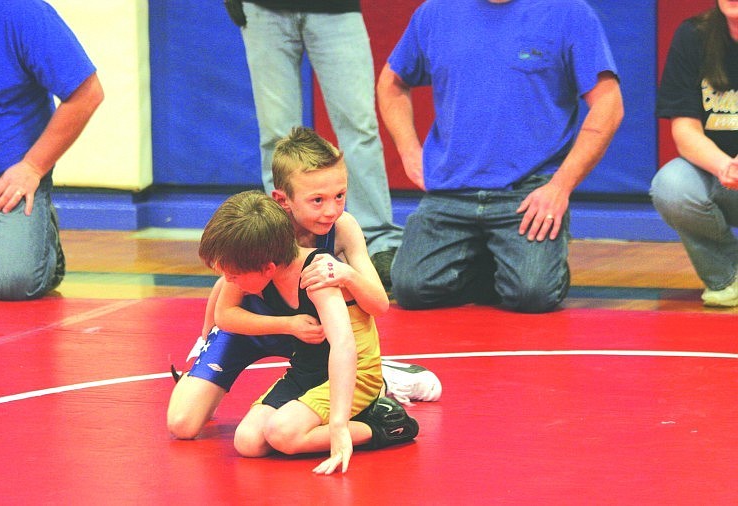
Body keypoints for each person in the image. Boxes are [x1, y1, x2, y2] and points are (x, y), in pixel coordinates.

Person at [167, 127, 440, 441]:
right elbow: (224, 297)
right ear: (283, 200)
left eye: (340, 196)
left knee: (336, 355)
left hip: (313, 336)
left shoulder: (342, 228)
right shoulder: (263, 227)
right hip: (257, 325)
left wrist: (348, 274)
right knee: (182, 424)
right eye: (317, 200)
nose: (331, 210)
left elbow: (379, 304)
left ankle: (375, 382)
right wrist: (214, 338)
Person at [376, 0, 624, 313]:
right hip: (451, 188)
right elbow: (392, 82)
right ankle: (497, 261)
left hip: (528, 191)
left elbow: (609, 103)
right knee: (411, 289)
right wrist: (408, 150)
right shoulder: (435, 12)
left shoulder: (569, 12)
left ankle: (539, 267)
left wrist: (560, 186)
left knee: (533, 294)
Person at [198, 190, 419, 474]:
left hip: (356, 375)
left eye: (233, 276)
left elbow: (343, 345)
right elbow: (225, 315)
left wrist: (339, 425)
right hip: (306, 371)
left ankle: (383, 424)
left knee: (283, 434)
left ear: (267, 269)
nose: (227, 281)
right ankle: (330, 420)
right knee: (248, 442)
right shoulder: (261, 262)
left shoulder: (317, 274)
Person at [224, 0, 403, 287]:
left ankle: (377, 243)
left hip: (336, 8)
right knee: (276, 135)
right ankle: (281, 242)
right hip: (264, 8)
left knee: (360, 127)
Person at [0, 0, 103, 301]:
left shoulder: (21, 12)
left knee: (14, 281)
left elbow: (87, 93)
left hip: (3, 186)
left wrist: (33, 167)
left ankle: (43, 252)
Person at [650, 1, 738, 307]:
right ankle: (727, 275)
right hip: (721, 177)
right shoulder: (693, 36)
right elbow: (685, 130)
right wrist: (725, 166)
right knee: (672, 186)